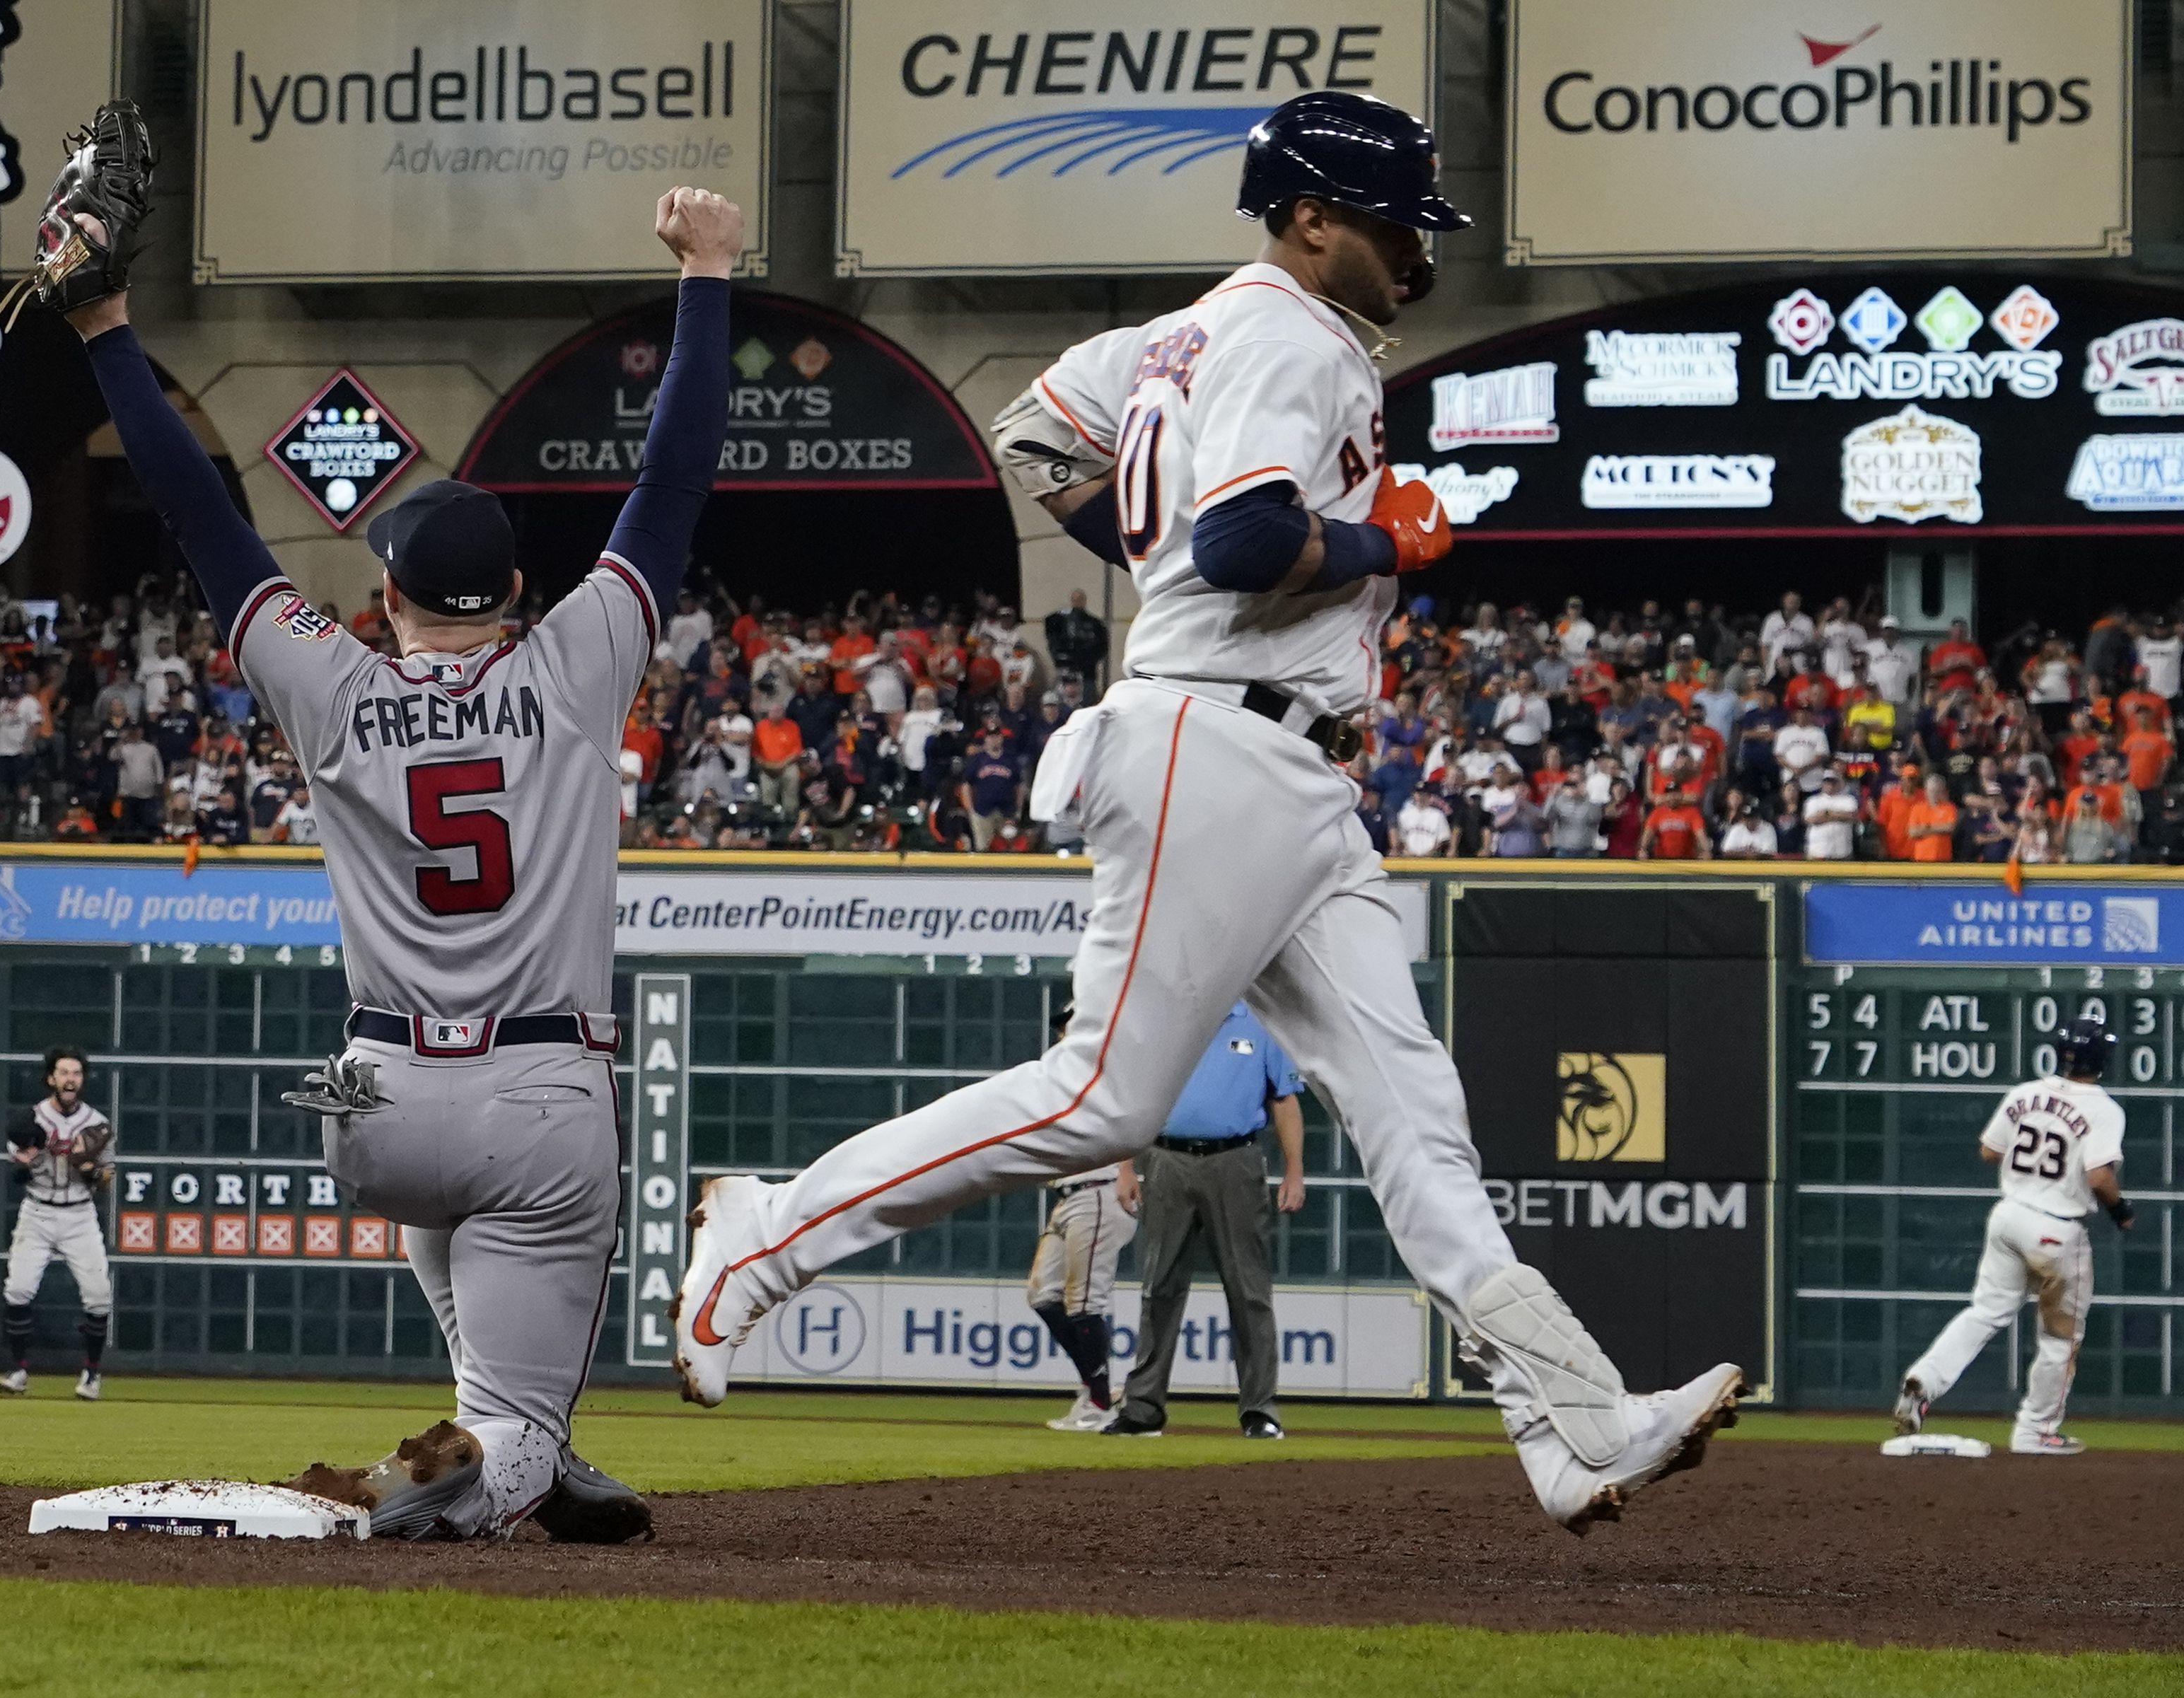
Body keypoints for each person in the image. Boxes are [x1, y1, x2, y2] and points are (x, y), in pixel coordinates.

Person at [672, 91, 1741, 1535]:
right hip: (1215, 743)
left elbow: (1035, 440)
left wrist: (1159, 542)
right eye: (1385, 223)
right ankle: (767, 1237)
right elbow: (1241, 542)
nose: (1409, 251)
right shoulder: (1292, 336)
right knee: (1102, 1097)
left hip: (1290, 773)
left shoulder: (1170, 339)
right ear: (1309, 222)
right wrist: (1379, 538)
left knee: (1416, 1114)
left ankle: (1569, 1422)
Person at [55, 107, 740, 1542]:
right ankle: (499, 1456)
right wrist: (708, 277)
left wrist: (108, 320)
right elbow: (669, 490)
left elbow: (205, 523)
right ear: (521, 591)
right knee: (520, 1429)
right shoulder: (579, 662)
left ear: (388, 598)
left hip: (364, 1106)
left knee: (444, 1195)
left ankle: (510, 1419)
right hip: (538, 1096)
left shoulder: (330, 675)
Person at [1893, 1019, 2132, 1455]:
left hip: (2008, 1217)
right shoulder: (2104, 1108)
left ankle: (1925, 1380)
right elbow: (2098, 1174)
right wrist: (2121, 1209)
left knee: (1984, 1314)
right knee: (2060, 1338)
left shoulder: (2025, 1093)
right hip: (2058, 1230)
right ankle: (2035, 1430)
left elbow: (1989, 1150)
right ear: (2102, 1060)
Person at [1104, 1002, 1305, 1440]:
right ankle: (1142, 1409)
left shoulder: (1261, 1021)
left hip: (1235, 1160)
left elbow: (1284, 1101)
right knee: (1159, 1287)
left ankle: (1259, 1410)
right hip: (1165, 1158)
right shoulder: (1167, 1019)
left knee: (1249, 1289)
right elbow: (1132, 1099)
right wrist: (1125, 1167)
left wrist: (1294, 1170)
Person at [0, 1046, 116, 1401]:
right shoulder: (29, 1121)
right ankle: (18, 1372)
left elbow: (107, 1178)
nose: (70, 1079)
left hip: (79, 1214)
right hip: (38, 1212)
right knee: (18, 1290)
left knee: (99, 1297)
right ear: (51, 1079)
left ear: (82, 1080)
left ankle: (91, 1376)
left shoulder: (96, 1124)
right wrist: (27, 1160)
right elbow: (16, 1173)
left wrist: (92, 1172)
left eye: (76, 1073)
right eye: (63, 1073)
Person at [1031, 1154, 1139, 1433]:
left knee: (1084, 1303)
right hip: (1067, 1197)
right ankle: (1097, 1389)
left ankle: (1100, 1406)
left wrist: (1127, 1170)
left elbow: (1126, 1120)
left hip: (1099, 1190)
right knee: (1042, 1296)